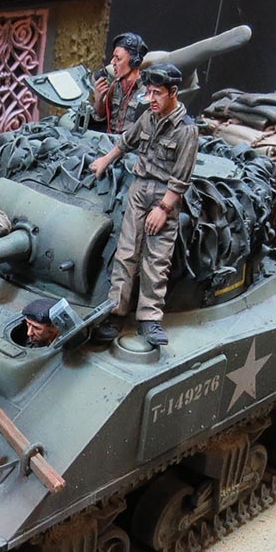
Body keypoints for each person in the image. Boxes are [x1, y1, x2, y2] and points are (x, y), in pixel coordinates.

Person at [89, 63, 197, 348]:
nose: (151, 99)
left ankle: (149, 318)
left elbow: (181, 177)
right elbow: (126, 142)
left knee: (156, 258)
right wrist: (105, 161)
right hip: (139, 189)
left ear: (173, 92)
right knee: (126, 252)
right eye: (148, 92)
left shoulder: (186, 130)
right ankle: (116, 311)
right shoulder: (149, 117)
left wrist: (164, 208)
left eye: (157, 93)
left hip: (164, 196)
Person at [92, 32, 149, 134]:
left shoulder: (147, 91)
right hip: (110, 138)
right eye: (113, 57)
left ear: (134, 61)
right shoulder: (114, 86)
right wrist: (99, 100)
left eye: (118, 58)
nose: (112, 62)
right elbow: (102, 117)